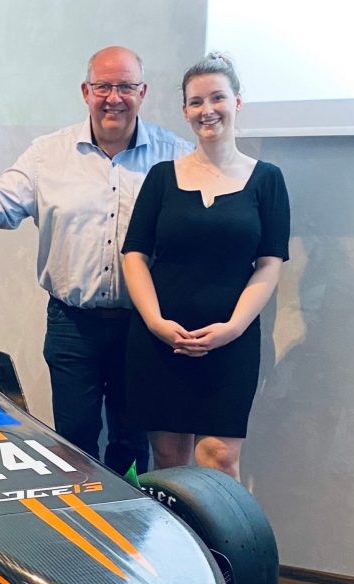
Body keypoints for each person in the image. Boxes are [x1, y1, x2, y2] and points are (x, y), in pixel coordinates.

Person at [0, 46, 191, 476]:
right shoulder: (48, 155)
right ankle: (83, 518)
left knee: (131, 445)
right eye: (103, 86)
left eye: (125, 87)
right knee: (73, 445)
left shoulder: (176, 157)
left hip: (142, 329)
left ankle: (127, 519)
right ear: (85, 91)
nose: (114, 98)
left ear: (143, 92)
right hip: (71, 326)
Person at [121, 52, 290, 480]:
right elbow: (134, 254)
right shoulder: (161, 177)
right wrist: (156, 322)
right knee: (168, 460)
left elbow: (269, 264)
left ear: (238, 102)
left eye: (217, 97)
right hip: (162, 339)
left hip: (231, 341)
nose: (207, 110)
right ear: (185, 111)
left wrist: (232, 328)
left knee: (220, 457)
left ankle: (226, 533)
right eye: (195, 101)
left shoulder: (267, 179)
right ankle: (175, 532)